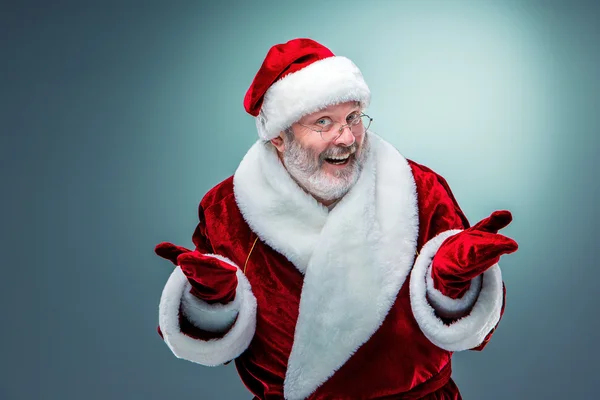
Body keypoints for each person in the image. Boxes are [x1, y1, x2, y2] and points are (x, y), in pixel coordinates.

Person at [154, 38, 519, 400]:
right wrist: (210, 302)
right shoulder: (228, 208)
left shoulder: (419, 190)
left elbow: (470, 328)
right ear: (280, 137)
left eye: (353, 118)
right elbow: (213, 342)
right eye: (323, 122)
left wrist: (452, 284)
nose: (346, 138)